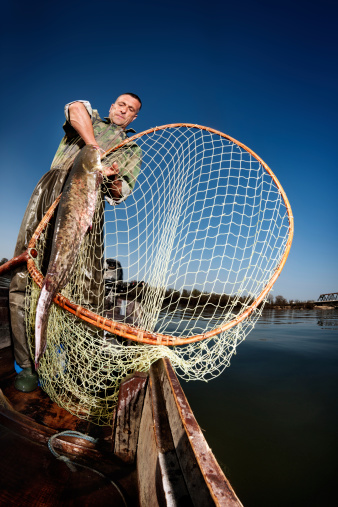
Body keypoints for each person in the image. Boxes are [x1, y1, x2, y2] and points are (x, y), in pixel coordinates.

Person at [9, 93, 142, 392]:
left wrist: (112, 177)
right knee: (24, 273)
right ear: (111, 107)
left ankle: (57, 361)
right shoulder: (90, 119)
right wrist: (95, 149)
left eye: (131, 110)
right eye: (121, 104)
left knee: (81, 284)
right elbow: (74, 107)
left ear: (134, 118)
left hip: (90, 203)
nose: (124, 110)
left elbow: (120, 193)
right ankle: (25, 365)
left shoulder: (132, 148)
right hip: (54, 188)